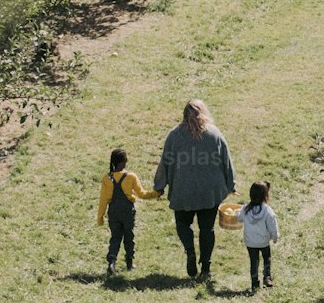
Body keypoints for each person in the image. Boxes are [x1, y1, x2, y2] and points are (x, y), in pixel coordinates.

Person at [154, 99, 236, 281]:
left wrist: (160, 185)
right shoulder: (214, 134)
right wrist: (231, 184)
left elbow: (165, 161)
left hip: (183, 190)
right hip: (209, 192)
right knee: (207, 230)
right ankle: (205, 268)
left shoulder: (174, 135)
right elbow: (226, 160)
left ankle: (190, 251)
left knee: (183, 224)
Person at [97, 147, 160, 278]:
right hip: (127, 211)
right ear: (125, 162)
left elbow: (103, 199)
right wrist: (156, 193)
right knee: (129, 237)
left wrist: (100, 217)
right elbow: (142, 194)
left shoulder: (106, 178)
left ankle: (112, 262)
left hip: (113, 212)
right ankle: (129, 263)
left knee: (115, 238)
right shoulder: (130, 177)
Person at [238, 181, 279, 293]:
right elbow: (272, 225)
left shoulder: (246, 209)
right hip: (263, 241)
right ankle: (267, 277)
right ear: (265, 195)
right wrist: (275, 237)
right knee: (267, 258)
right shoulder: (267, 210)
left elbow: (239, 218)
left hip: (250, 242)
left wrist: (238, 210)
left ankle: (254, 283)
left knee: (254, 261)